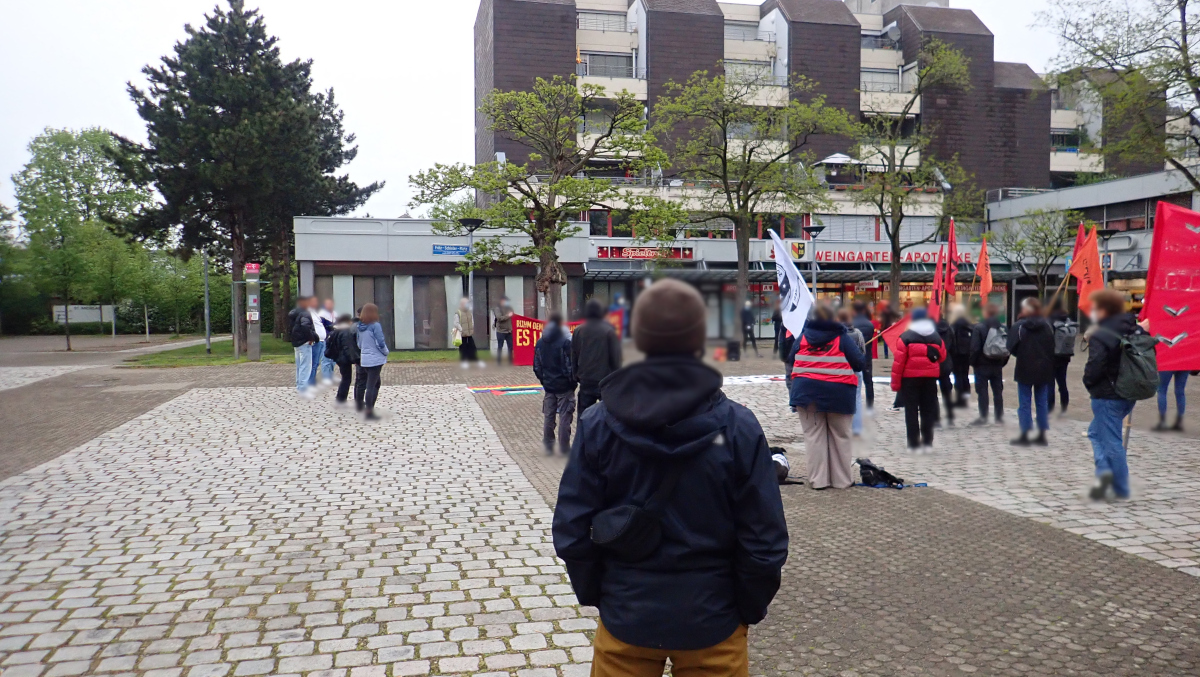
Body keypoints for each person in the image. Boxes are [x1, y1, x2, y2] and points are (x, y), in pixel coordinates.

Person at [553, 279, 788, 677]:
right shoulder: (739, 426)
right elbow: (764, 541)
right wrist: (744, 610)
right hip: (713, 621)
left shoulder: (597, 423)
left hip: (627, 616)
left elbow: (573, 531)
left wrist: (604, 597)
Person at [1083, 289, 1145, 500]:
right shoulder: (1135, 328)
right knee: (1095, 433)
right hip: (1129, 391)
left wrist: (1088, 381)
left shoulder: (1102, 332)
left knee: (1110, 442)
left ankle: (1119, 487)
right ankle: (1102, 477)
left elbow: (1096, 364)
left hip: (1107, 393)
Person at [891, 308, 946, 450]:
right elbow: (942, 356)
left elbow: (899, 363)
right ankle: (927, 441)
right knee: (928, 410)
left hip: (910, 379)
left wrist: (896, 384)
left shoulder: (905, 337)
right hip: (930, 379)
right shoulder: (936, 337)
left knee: (911, 410)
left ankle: (913, 442)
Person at [1006, 298, 1055, 446]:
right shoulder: (1047, 326)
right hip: (1044, 368)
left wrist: (1022, 354)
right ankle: (1041, 433)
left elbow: (1011, 346)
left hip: (1025, 367)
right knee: (1041, 402)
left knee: (1025, 402)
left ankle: (1025, 434)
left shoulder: (1019, 326)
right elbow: (1052, 346)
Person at [571, 298, 622, 426]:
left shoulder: (578, 330)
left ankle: (582, 441)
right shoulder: (609, 331)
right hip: (605, 381)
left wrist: (575, 374)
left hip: (585, 380)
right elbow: (616, 359)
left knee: (583, 415)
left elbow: (573, 355)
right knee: (608, 415)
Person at [533, 312, 576, 455]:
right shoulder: (565, 343)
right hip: (564, 386)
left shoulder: (540, 342)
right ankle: (564, 448)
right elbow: (569, 366)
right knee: (565, 416)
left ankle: (548, 446)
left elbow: (537, 366)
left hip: (549, 386)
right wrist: (572, 382)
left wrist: (544, 380)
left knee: (549, 416)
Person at [969, 303, 1010, 426]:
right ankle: (999, 417)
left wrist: (973, 362)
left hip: (982, 365)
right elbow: (1007, 348)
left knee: (982, 391)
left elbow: (975, 348)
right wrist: (1002, 362)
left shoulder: (979, 328)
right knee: (998, 391)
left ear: (985, 313)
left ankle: (983, 417)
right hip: (997, 364)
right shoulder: (1003, 328)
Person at [837, 308, 868, 438]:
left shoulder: (837, 335)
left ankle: (842, 427)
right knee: (857, 399)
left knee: (840, 398)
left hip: (841, 370)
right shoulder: (857, 333)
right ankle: (856, 428)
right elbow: (863, 351)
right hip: (855, 370)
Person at [355, 303, 389, 421]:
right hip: (375, 359)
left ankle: (369, 408)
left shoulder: (360, 327)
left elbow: (359, 344)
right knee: (371, 385)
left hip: (365, 358)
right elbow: (380, 342)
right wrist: (386, 352)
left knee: (376, 383)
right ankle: (369, 411)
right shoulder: (375, 326)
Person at [1049, 302, 1078, 416]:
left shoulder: (1051, 321)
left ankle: (1050, 408)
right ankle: (1064, 407)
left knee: (1050, 384)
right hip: (1065, 357)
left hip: (1052, 357)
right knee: (1062, 383)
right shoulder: (1069, 322)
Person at [323, 314, 359, 405]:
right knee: (346, 379)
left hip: (338, 357)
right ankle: (341, 398)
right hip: (344, 358)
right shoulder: (345, 332)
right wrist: (354, 358)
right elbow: (348, 347)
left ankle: (341, 398)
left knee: (345, 378)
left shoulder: (335, 331)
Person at [287, 296, 318, 396]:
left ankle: (300, 385)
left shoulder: (293, 313)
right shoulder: (305, 313)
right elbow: (305, 326)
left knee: (300, 365)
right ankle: (303, 388)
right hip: (304, 342)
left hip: (296, 342)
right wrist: (311, 337)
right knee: (306, 365)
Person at [851, 301, 877, 411]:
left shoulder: (852, 324)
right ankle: (870, 405)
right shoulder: (869, 324)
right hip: (867, 356)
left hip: (853, 357)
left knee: (852, 382)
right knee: (868, 381)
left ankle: (853, 403)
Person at [948, 304, 974, 407]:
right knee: (965, 375)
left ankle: (960, 400)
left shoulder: (954, 325)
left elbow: (951, 340)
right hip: (966, 354)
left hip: (956, 354)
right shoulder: (969, 325)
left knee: (958, 376)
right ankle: (966, 397)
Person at [308, 297, 329, 387]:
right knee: (313, 363)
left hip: (321, 340)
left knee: (317, 363)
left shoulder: (315, 313)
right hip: (316, 341)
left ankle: (312, 380)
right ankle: (310, 382)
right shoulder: (308, 313)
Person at [317, 299, 337, 384]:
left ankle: (330, 376)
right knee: (326, 359)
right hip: (326, 339)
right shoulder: (322, 314)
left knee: (333, 359)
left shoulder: (334, 313)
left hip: (334, 339)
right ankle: (326, 378)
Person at [455, 297, 478, 366]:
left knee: (472, 346)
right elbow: (456, 323)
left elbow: (472, 321)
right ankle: (463, 361)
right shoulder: (458, 313)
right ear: (462, 304)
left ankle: (473, 360)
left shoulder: (469, 312)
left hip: (469, 333)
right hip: (462, 334)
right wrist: (461, 330)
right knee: (463, 347)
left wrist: (472, 328)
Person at [493, 297, 515, 365]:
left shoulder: (509, 308)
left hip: (509, 331)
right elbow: (499, 318)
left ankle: (510, 361)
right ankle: (499, 362)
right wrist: (508, 315)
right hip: (501, 331)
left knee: (510, 346)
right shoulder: (497, 308)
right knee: (500, 346)